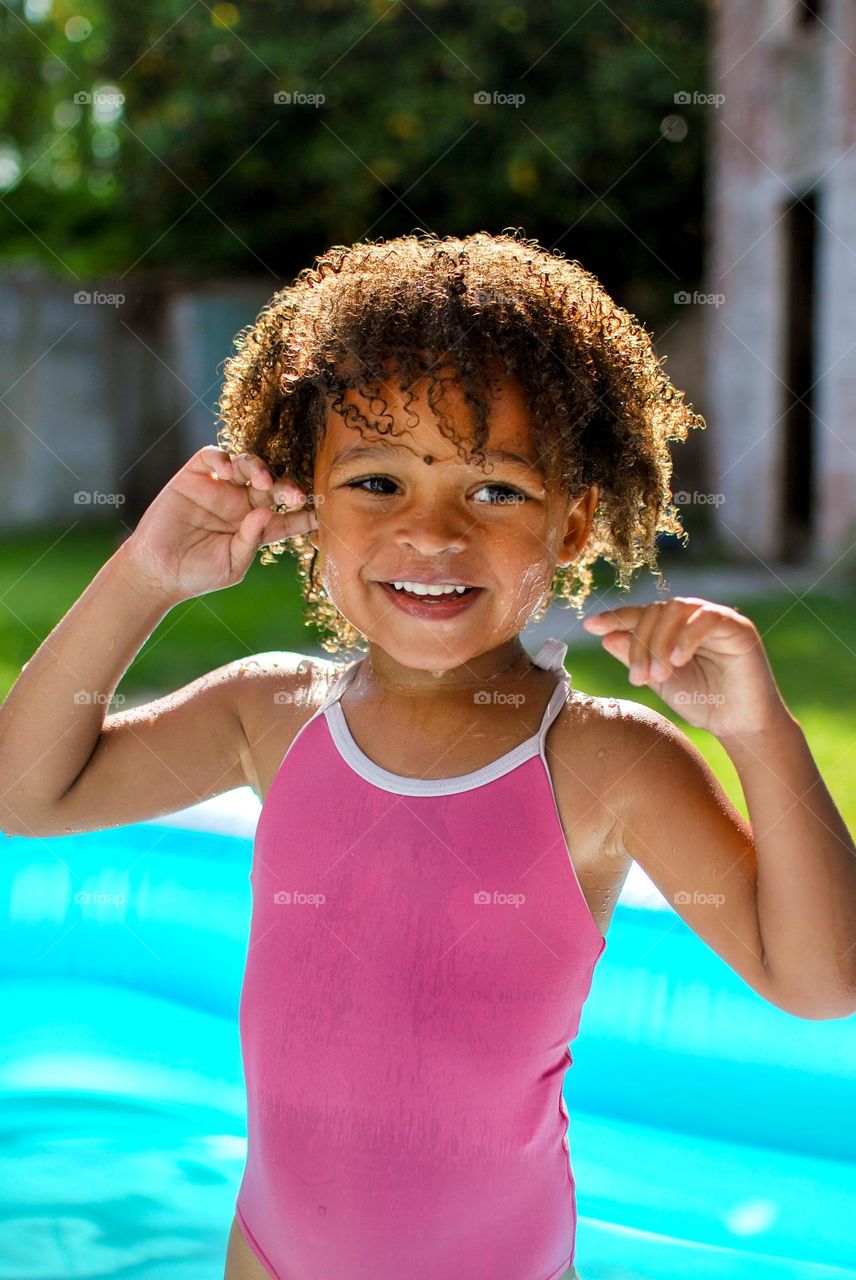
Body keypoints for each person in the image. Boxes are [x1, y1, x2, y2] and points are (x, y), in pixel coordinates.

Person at [2, 231, 854, 1280]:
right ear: (306, 503)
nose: (432, 534)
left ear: (575, 518)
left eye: (494, 490)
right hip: (268, 1253)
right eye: (376, 482)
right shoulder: (270, 713)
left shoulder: (604, 761)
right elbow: (24, 796)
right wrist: (145, 572)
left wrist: (760, 733)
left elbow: (820, 983)